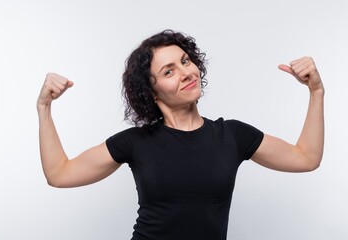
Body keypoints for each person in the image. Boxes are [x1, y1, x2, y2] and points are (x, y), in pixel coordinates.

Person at [37, 29, 324, 240]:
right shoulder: (136, 142)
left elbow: (306, 158)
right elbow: (60, 174)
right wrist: (44, 107)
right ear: (151, 91)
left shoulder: (233, 135)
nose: (187, 72)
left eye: (186, 61)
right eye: (169, 71)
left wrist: (316, 91)